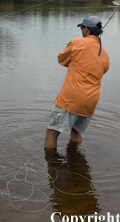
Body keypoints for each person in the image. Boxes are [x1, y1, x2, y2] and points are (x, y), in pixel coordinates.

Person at [44, 15, 110, 150]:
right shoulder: (104, 53)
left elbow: (62, 60)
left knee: (51, 133)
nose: (81, 31)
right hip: (91, 101)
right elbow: (103, 71)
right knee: (75, 131)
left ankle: (50, 166)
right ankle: (76, 159)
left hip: (71, 99)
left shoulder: (77, 43)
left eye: (82, 28)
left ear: (86, 29)